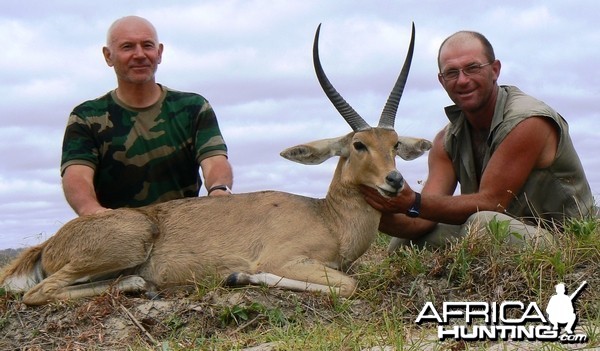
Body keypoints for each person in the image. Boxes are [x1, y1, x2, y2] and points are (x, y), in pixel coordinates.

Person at [361, 30, 594, 250]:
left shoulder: (528, 121)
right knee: (402, 244)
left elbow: (492, 203)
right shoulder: (446, 140)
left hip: (567, 238)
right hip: (503, 229)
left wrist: (412, 201)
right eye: (452, 73)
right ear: (442, 81)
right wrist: (370, 204)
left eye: (472, 68)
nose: (462, 80)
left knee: (484, 223)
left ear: (495, 70)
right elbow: (419, 220)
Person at [61, 16, 233, 216]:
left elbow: (214, 160)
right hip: (114, 229)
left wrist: (219, 190)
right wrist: (93, 212)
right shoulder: (86, 117)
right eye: (127, 47)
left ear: (159, 53)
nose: (140, 54)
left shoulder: (194, 108)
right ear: (108, 56)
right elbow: (77, 175)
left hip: (183, 227)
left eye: (147, 45)